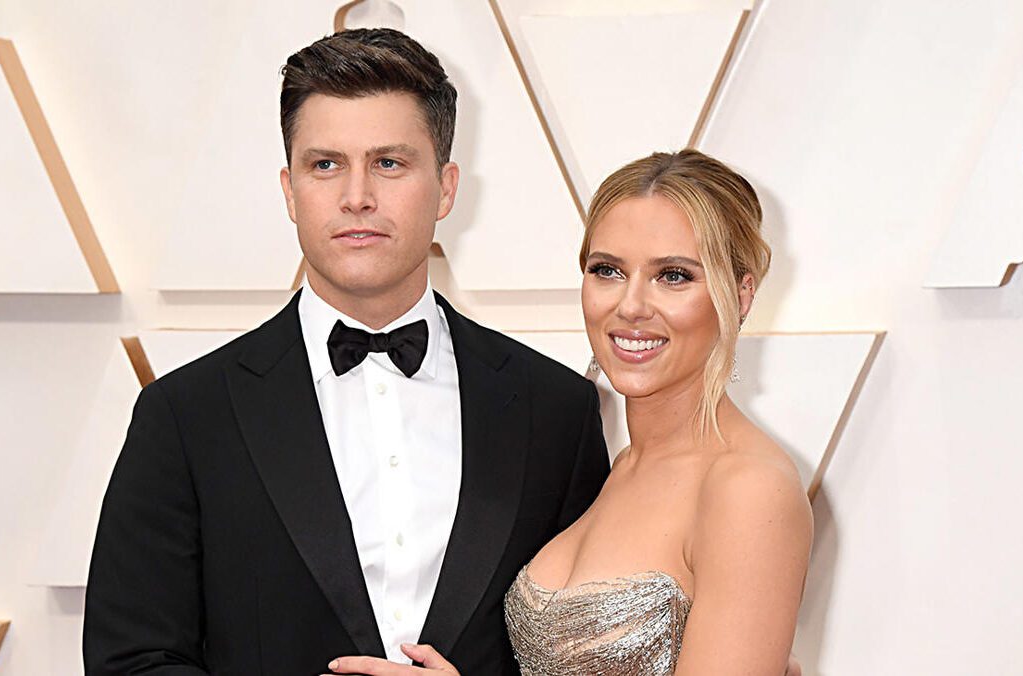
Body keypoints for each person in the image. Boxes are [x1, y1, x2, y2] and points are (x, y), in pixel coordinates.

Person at [82, 28, 610, 675]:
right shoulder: (185, 417)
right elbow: (130, 661)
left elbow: (586, 659)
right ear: (289, 189)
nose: (357, 196)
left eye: (389, 163)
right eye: (325, 164)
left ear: (446, 188)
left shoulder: (557, 412)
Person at [327, 150, 812, 675]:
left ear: (740, 295)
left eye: (673, 276)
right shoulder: (620, 466)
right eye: (607, 270)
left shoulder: (748, 488)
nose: (630, 305)